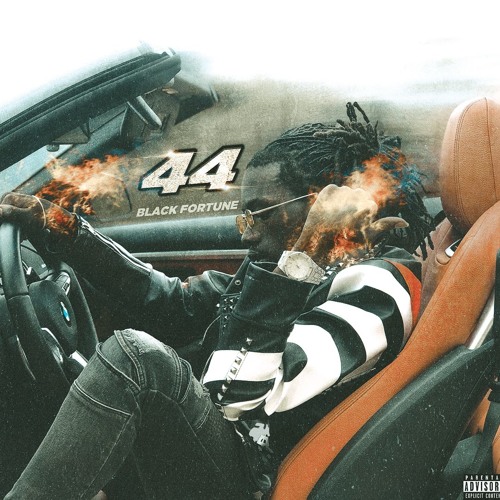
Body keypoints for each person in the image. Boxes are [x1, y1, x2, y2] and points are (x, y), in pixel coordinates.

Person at [1, 103, 434, 499]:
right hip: (229, 453)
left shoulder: (379, 287)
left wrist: (305, 257)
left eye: (261, 213)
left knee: (136, 360)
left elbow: (233, 399)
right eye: (245, 217)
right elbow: (173, 303)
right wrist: (65, 229)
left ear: (333, 203)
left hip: (251, 478)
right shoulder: (283, 269)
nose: (247, 234)